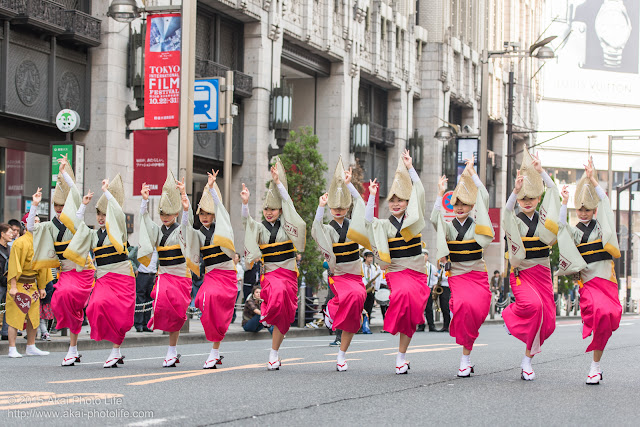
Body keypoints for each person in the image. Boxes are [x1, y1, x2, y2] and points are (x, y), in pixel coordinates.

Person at [557, 157, 622, 385]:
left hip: (606, 280)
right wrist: (564, 202)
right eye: (580, 210)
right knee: (600, 313)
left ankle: (596, 365)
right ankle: (594, 367)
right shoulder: (574, 233)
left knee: (607, 317)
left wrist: (593, 179)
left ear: (594, 210)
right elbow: (561, 229)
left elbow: (606, 204)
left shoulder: (603, 228)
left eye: (587, 210)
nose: (583, 213)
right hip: (588, 283)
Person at [364, 150, 429, 374]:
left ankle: (401, 356)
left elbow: (419, 191)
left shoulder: (414, 220)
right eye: (392, 200)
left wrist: (410, 168)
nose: (395, 204)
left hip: (417, 270)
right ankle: (392, 323)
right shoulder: (384, 225)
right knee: (403, 294)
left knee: (412, 316)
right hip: (397, 270)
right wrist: (372, 195)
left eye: (400, 200)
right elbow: (367, 221)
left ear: (407, 203)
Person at [29, 156, 96, 366]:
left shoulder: (75, 221)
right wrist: (35, 205)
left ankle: (74, 346)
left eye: (63, 204)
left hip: (82, 269)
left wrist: (64, 172)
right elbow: (31, 227)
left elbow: (75, 195)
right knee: (61, 300)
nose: (59, 208)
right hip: (65, 272)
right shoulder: (49, 226)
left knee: (69, 298)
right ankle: (73, 348)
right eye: (56, 205)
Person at [241, 157, 306, 370]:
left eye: (274, 209)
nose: (269, 212)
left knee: (285, 318)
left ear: (279, 211)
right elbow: (247, 223)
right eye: (266, 209)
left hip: (288, 274)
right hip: (270, 275)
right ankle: (267, 316)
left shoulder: (288, 227)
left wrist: (278, 183)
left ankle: (273, 353)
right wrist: (244, 204)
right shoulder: (259, 228)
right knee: (276, 296)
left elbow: (289, 205)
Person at [431, 157, 494, 377]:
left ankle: (466, 357)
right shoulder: (448, 228)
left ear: (471, 206)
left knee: (477, 310)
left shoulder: (478, 226)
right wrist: (440, 195)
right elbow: (434, 219)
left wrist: (472, 173)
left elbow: (484, 197)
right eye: (456, 204)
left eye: (464, 204)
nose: (460, 208)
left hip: (477, 274)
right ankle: (464, 359)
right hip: (457, 275)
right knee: (462, 306)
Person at [64, 175, 135, 368]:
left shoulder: (119, 229)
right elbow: (77, 226)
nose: (102, 218)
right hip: (103, 277)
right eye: (99, 214)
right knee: (95, 306)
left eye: (105, 214)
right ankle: (114, 348)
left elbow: (118, 214)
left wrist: (106, 192)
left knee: (120, 315)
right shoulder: (94, 235)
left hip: (122, 276)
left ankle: (115, 350)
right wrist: (83, 205)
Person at [502, 149, 560, 381]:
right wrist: (514, 191)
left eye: (531, 198)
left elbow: (554, 193)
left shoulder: (545, 219)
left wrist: (541, 172)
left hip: (543, 272)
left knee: (548, 319)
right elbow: (505, 214)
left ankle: (527, 359)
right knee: (534, 306)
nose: (526, 202)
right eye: (522, 199)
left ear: (538, 199)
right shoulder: (514, 219)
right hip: (521, 273)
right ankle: (510, 314)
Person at [311, 157, 368, 371]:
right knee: (349, 297)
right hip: (338, 274)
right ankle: (330, 309)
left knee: (358, 301)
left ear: (347, 207)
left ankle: (342, 354)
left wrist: (349, 184)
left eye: (342, 207)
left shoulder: (355, 225)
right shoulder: (327, 227)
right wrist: (320, 207)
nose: (338, 210)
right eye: (334, 207)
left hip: (355, 274)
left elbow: (362, 206)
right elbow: (316, 229)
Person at [138, 171, 200, 367]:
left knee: (178, 315)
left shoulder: (180, 229)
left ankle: (172, 350)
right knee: (161, 301)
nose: (165, 217)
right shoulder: (157, 231)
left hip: (181, 276)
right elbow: (145, 222)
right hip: (164, 275)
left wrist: (184, 200)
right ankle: (158, 327)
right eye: (163, 214)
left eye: (169, 214)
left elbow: (185, 224)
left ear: (175, 214)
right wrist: (145, 202)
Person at [192, 170, 237, 369]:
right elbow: (186, 231)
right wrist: (186, 209)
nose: (205, 217)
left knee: (216, 307)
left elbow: (221, 211)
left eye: (208, 213)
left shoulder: (223, 228)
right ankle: (215, 349)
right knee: (203, 300)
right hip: (211, 275)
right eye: (202, 213)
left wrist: (211, 189)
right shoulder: (198, 234)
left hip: (226, 274)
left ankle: (214, 351)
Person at [5, 215, 52, 358]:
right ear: (26, 224)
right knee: (15, 316)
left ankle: (31, 345)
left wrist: (42, 286)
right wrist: (13, 286)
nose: (36, 224)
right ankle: (12, 347)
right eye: (34, 221)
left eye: (38, 222)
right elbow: (13, 265)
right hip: (18, 284)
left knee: (33, 316)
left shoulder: (40, 243)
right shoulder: (19, 243)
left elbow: (43, 266)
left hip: (32, 284)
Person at [134, 249, 156, 332]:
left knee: (149, 300)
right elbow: (130, 256)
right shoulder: (140, 247)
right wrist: (135, 268)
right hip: (142, 274)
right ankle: (138, 323)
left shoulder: (156, 249)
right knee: (140, 299)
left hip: (152, 274)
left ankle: (146, 324)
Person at [417, 249, 439, 332]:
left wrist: (434, 286)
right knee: (420, 308)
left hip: (428, 289)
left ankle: (431, 325)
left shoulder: (431, 267)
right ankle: (420, 325)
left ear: (427, 256)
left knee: (429, 308)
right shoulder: (418, 266)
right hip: (419, 290)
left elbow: (434, 279)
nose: (423, 257)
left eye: (425, 255)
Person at [361, 250, 383, 322]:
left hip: (370, 290)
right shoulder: (361, 266)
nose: (371, 259)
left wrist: (375, 284)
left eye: (371, 257)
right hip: (363, 289)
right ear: (365, 257)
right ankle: (362, 324)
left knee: (369, 307)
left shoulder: (373, 267)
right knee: (362, 308)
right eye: (369, 257)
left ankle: (367, 323)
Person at [0, 223, 12, 340]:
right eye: (9, 232)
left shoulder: (9, 248)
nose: (12, 235)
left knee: (8, 308)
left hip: (8, 282)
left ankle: (5, 332)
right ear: (2, 234)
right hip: (1, 282)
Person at [233, 253, 244, 323]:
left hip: (237, 287)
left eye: (236, 257)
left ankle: (233, 316)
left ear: (239, 259)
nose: (234, 258)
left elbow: (241, 277)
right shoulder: (229, 266)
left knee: (234, 302)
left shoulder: (240, 267)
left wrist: (234, 280)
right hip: (229, 287)